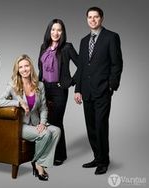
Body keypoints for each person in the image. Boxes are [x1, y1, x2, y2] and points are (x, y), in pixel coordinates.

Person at [74, 7, 123, 175]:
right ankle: (97, 157)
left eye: (96, 17)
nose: (93, 20)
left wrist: (111, 86)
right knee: (91, 127)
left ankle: (104, 161)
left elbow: (117, 64)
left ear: (101, 18)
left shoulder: (111, 37)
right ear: (86, 19)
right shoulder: (83, 40)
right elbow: (81, 67)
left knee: (101, 126)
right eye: (90, 17)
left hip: (103, 90)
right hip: (86, 91)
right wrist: (77, 89)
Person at [0, 54, 60, 181]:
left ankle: (38, 161)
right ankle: (38, 165)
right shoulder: (13, 85)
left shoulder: (39, 85)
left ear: (31, 67)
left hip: (35, 122)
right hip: (21, 125)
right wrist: (18, 102)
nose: (24, 69)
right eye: (21, 67)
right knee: (45, 134)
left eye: (26, 66)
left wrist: (42, 122)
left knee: (57, 131)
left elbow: (43, 108)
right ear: (17, 70)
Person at [38, 19, 78, 165]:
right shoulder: (43, 46)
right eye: (53, 29)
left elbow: (82, 66)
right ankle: (48, 152)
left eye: (59, 30)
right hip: (44, 88)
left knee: (56, 121)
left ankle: (60, 154)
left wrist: (70, 82)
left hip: (59, 90)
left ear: (63, 32)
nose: (56, 33)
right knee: (45, 121)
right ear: (49, 31)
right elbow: (40, 69)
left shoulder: (67, 47)